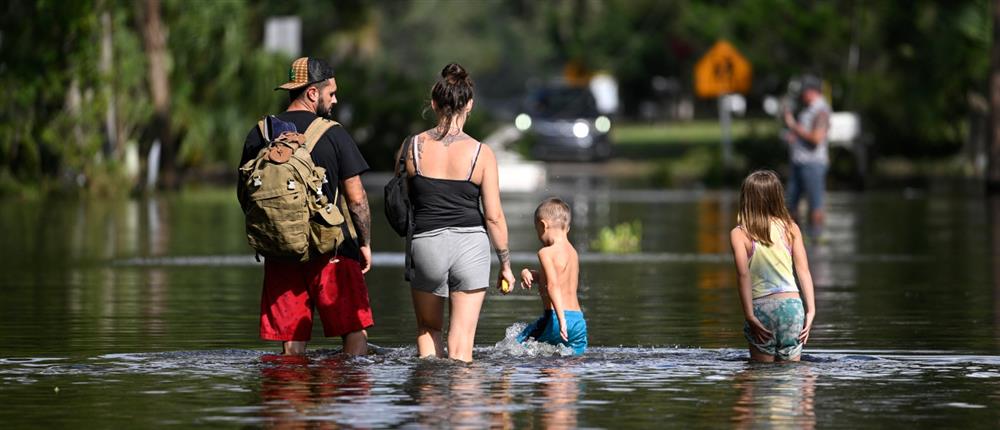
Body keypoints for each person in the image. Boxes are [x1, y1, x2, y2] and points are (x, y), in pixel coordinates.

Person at [238, 57, 374, 356]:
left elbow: (245, 195)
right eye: (332, 93)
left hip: (281, 251)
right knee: (353, 329)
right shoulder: (334, 132)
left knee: (292, 341)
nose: (335, 100)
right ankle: (347, 395)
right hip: (333, 250)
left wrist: (277, 230)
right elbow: (357, 198)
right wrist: (364, 243)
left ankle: (291, 398)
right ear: (313, 93)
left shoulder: (261, 133)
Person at [398, 63, 515, 362]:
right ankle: (464, 406)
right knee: (463, 341)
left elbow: (403, 200)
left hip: (427, 244)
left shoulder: (411, 147)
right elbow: (494, 216)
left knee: (428, 329)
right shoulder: (482, 153)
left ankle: (431, 404)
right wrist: (505, 263)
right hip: (471, 247)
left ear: (434, 103)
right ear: (470, 105)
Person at [729, 170, 816, 362]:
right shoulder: (791, 227)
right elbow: (803, 271)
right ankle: (806, 392)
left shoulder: (739, 233)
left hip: (762, 308)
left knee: (759, 377)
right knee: (792, 379)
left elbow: (743, 275)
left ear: (746, 199)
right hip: (793, 308)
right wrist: (811, 311)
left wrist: (750, 316)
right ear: (777, 197)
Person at [517, 198, 588, 356]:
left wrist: (561, 320)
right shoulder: (573, 253)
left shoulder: (546, 253)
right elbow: (554, 279)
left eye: (537, 231)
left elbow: (553, 286)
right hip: (578, 321)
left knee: (514, 348)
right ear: (567, 228)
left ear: (543, 225)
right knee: (573, 366)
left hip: (556, 317)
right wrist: (528, 273)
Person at [783, 75, 831, 240]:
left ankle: (816, 239)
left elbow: (816, 139)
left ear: (811, 91)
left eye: (803, 91)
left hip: (813, 164)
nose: (801, 95)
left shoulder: (821, 110)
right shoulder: (808, 109)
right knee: (790, 205)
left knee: (815, 205)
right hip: (798, 162)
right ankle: (795, 241)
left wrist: (793, 126)